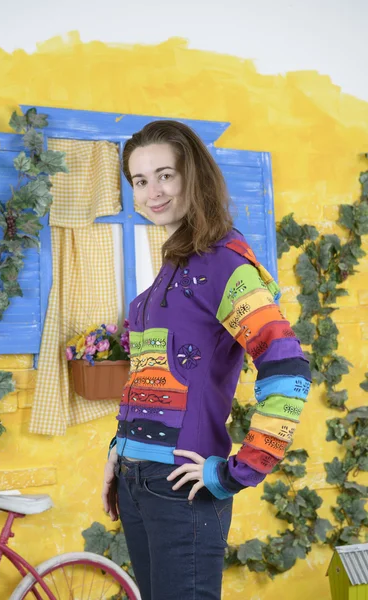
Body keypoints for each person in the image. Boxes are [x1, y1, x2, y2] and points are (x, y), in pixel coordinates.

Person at [102, 120, 310, 600]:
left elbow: (288, 368)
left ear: (193, 176)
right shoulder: (173, 266)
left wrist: (239, 469)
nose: (152, 192)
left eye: (165, 175)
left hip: (182, 488)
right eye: (140, 180)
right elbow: (152, 374)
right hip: (138, 480)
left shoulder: (223, 263)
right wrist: (120, 447)